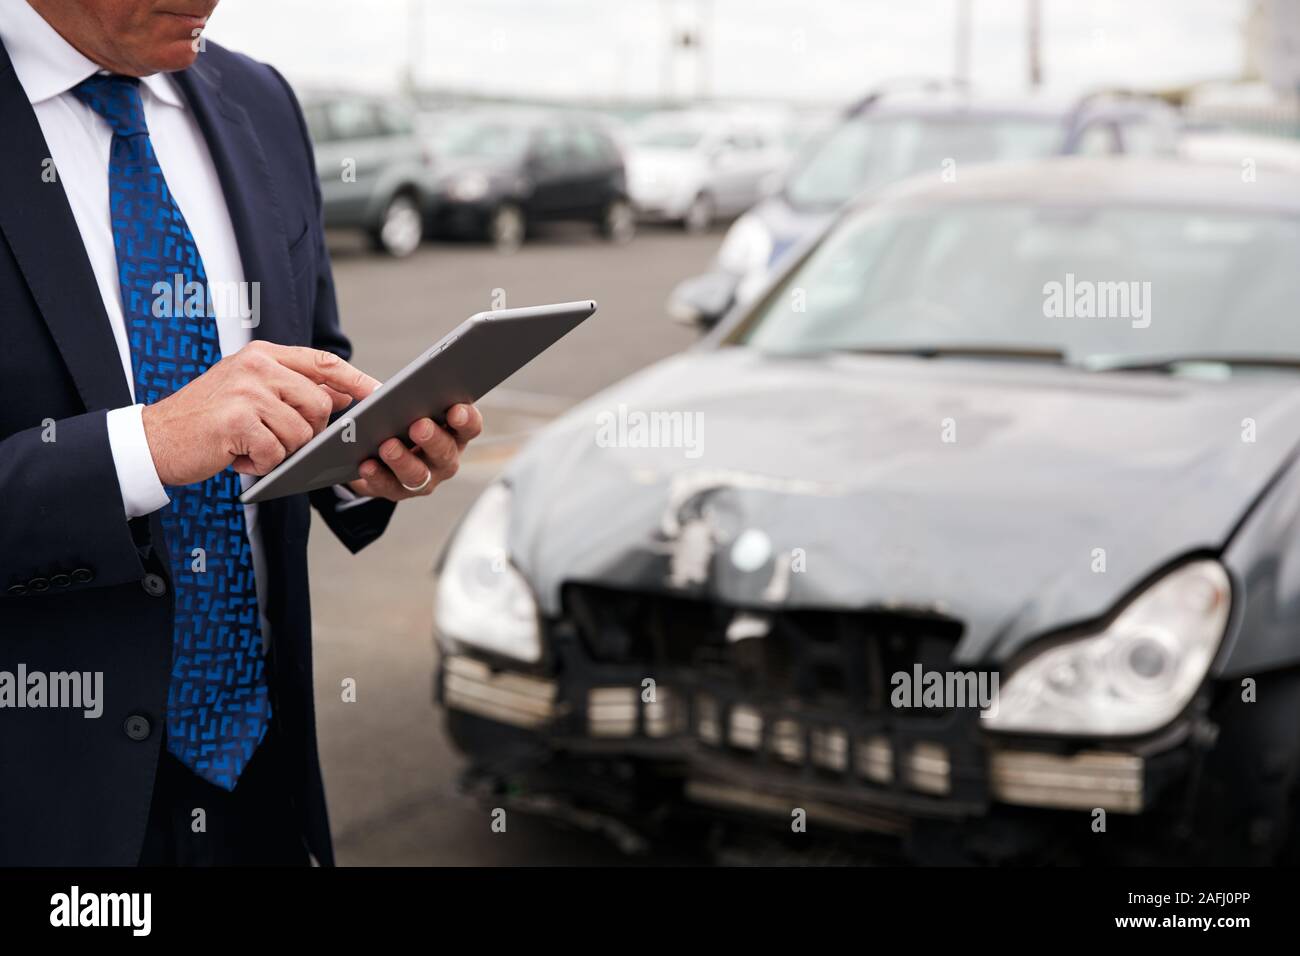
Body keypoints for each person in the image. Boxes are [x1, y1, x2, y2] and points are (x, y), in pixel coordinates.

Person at [0, 0, 482, 865]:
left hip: (262, 771)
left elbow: (314, 356)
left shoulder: (260, 100)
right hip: (43, 803)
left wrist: (360, 454)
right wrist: (145, 446)